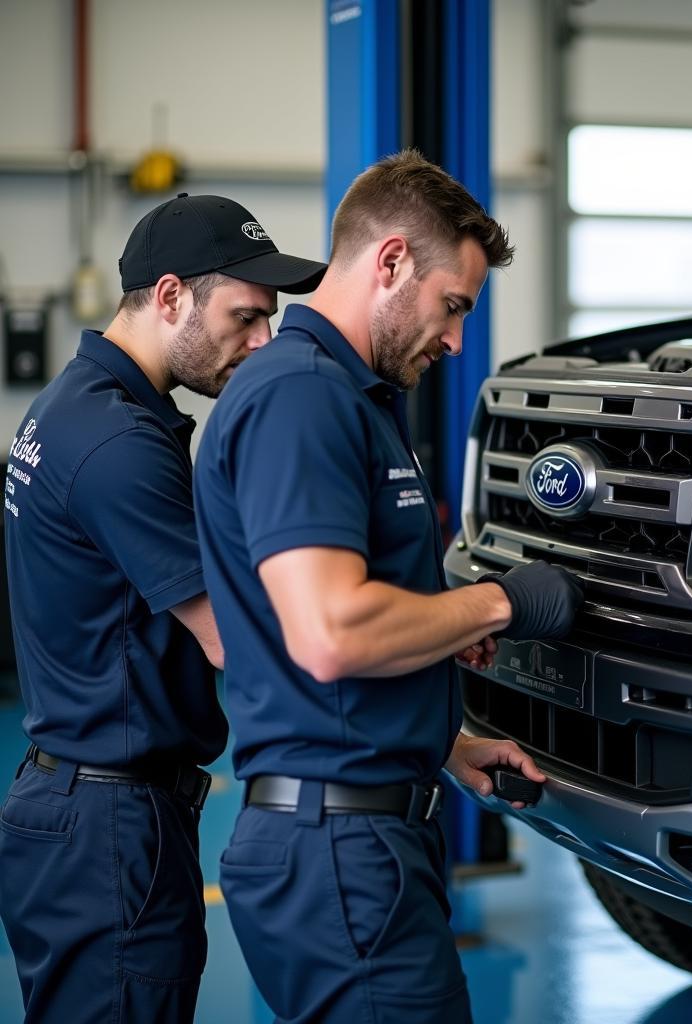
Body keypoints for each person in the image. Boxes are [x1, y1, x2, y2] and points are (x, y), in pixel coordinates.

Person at [193, 150, 583, 1024]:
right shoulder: (301, 398)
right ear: (393, 260)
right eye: (453, 307)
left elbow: (325, 630)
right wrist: (505, 600)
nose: (454, 339)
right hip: (336, 850)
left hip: (360, 831)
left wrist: (443, 744)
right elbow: (330, 632)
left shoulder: (354, 400)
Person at [0, 193, 326, 1024]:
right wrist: (439, 739)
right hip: (111, 830)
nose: (260, 345)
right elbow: (242, 644)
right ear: (172, 295)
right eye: (246, 319)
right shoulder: (116, 446)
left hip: (86, 801)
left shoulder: (78, 404)